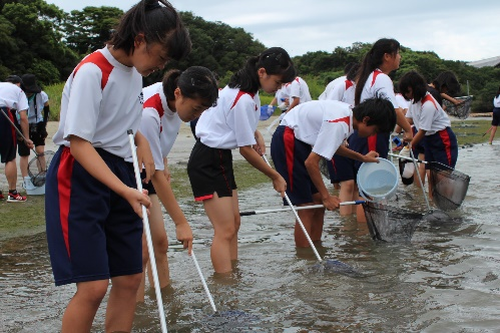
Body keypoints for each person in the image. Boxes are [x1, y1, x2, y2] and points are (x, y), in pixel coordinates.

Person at [44, 1, 191, 332]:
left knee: (129, 279)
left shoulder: (133, 74)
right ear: (140, 40)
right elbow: (79, 142)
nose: (160, 66)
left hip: (123, 173)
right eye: (161, 57)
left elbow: (122, 120)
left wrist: (141, 141)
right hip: (81, 176)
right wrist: (124, 189)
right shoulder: (93, 70)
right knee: (93, 287)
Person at [187, 47, 296, 274]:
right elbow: (245, 151)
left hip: (220, 157)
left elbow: (235, 123)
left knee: (234, 224)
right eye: (278, 82)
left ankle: (233, 277)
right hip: (207, 160)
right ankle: (224, 285)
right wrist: (274, 175)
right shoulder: (242, 97)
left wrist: (255, 133)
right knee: (224, 229)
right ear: (262, 72)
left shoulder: (248, 91)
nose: (279, 88)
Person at [137, 66, 219, 302]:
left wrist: (164, 162)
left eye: (203, 110)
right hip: (130, 172)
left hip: (150, 169)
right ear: (179, 93)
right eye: (196, 108)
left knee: (159, 241)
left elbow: (159, 146)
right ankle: (137, 307)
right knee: (142, 248)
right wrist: (181, 223)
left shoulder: (174, 104)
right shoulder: (150, 112)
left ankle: (165, 297)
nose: (198, 115)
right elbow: (155, 175)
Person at [271, 98, 396, 247]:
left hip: (299, 141)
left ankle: (317, 248)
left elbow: (332, 144)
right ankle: (305, 259)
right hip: (288, 140)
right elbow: (311, 163)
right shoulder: (340, 122)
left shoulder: (347, 116)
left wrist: (362, 158)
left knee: (317, 204)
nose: (371, 135)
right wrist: (326, 196)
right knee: (307, 207)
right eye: (374, 131)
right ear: (366, 119)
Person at [342, 38, 413, 219]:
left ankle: (355, 233)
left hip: (360, 134)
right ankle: (366, 236)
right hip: (371, 135)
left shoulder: (367, 76)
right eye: (398, 53)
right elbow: (393, 109)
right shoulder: (381, 78)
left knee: (362, 185)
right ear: (387, 56)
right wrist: (408, 129)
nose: (400, 57)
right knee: (371, 189)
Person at [398, 70, 458, 198]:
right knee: (431, 176)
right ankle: (431, 205)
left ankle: (448, 208)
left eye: (408, 92)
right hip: (429, 140)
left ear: (416, 88)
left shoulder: (428, 104)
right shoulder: (415, 102)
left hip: (442, 139)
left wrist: (408, 147)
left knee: (442, 178)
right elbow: (408, 120)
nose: (407, 96)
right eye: (405, 93)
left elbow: (422, 131)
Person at [0, 75, 33, 202]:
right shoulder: (19, 92)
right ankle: (13, 193)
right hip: (4, 115)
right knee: (10, 157)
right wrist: (27, 138)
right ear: (19, 84)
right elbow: (23, 117)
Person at [17, 74, 50, 194]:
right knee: (24, 153)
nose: (30, 93)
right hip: (22, 124)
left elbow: (46, 109)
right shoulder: (18, 96)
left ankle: (42, 176)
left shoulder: (42, 95)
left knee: (40, 151)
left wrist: (44, 127)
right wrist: (18, 132)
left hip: (38, 123)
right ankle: (26, 179)